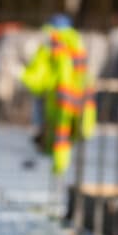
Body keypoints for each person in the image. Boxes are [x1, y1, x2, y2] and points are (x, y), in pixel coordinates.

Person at [20, 15, 96, 175]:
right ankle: (60, 168)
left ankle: (58, 169)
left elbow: (40, 75)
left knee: (59, 137)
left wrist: (23, 75)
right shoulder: (77, 44)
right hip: (79, 100)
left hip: (58, 99)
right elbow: (84, 75)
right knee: (66, 138)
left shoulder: (52, 44)